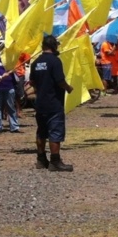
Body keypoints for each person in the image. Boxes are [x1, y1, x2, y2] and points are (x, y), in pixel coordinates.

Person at [30, 35, 74, 172]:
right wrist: (68, 88)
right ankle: (55, 161)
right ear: (54, 46)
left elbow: (32, 82)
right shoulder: (55, 61)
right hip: (53, 102)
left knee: (41, 132)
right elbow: (59, 80)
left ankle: (41, 159)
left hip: (40, 103)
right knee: (55, 132)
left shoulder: (35, 62)